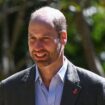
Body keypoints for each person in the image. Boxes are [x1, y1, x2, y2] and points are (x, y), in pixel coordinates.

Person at [0, 6, 105, 105]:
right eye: (32, 38)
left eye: (45, 38)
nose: (37, 47)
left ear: (63, 37)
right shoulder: (8, 89)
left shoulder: (96, 88)